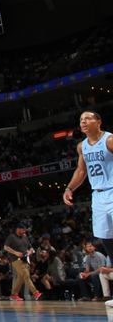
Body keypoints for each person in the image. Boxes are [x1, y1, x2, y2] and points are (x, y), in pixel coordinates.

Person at [63, 110, 113, 307]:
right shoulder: (81, 146)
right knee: (107, 239)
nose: (83, 122)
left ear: (98, 121)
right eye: (81, 119)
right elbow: (81, 171)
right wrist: (69, 188)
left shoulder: (109, 140)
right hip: (98, 195)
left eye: (88, 118)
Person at [3, 224, 42, 301]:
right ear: (18, 229)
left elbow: (31, 248)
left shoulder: (24, 237)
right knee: (26, 275)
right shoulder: (11, 237)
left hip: (25, 260)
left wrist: (30, 251)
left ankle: (14, 294)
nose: (24, 231)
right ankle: (36, 293)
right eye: (23, 230)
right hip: (16, 260)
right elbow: (5, 247)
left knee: (21, 277)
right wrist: (15, 252)